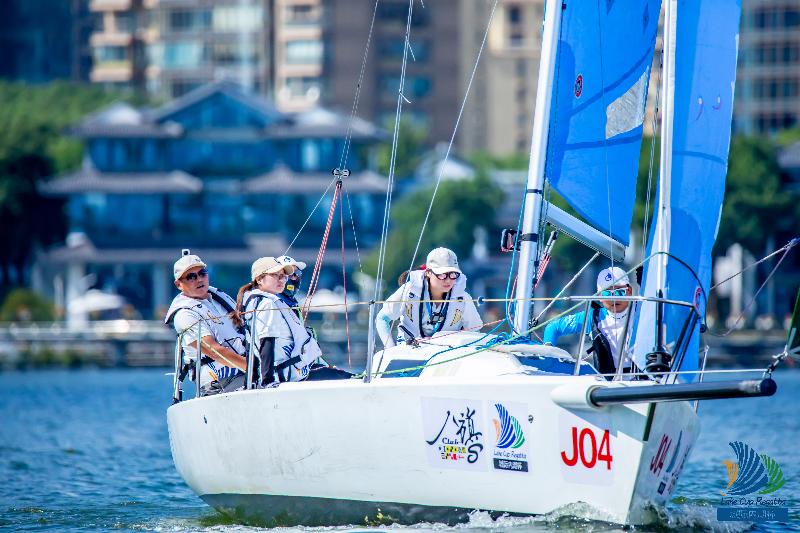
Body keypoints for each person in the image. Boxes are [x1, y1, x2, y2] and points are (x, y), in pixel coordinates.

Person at [232, 257, 351, 386]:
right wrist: (268, 381)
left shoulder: (254, 301)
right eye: (275, 275)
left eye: (283, 276)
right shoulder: (267, 304)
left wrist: (251, 381)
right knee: (347, 378)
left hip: (289, 374)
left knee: (341, 375)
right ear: (259, 279)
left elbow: (252, 348)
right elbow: (266, 342)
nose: (282, 280)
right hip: (287, 377)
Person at [164, 250, 247, 395]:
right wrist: (253, 368)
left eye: (202, 273)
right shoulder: (184, 314)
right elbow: (214, 351)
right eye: (191, 277)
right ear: (178, 284)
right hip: (218, 383)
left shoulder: (219, 297)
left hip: (244, 374)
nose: (199, 279)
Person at [375, 247, 483, 347]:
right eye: (442, 274)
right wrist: (390, 348)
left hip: (446, 354)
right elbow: (382, 319)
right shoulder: (409, 290)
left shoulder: (463, 298)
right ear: (428, 273)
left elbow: (474, 329)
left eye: (453, 274)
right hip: (408, 351)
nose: (448, 280)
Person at [543, 266, 635, 377]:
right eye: (607, 294)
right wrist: (548, 357)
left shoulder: (642, 312)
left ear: (629, 291)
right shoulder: (592, 317)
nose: (614, 298)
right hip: (606, 381)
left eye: (619, 292)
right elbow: (553, 327)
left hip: (643, 378)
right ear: (599, 296)